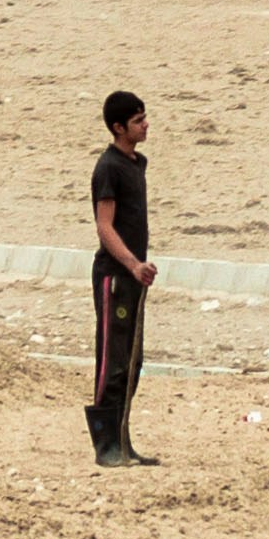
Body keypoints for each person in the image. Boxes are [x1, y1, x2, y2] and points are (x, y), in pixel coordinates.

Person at [87, 87, 157, 468]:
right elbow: (104, 227)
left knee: (133, 361)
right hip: (114, 276)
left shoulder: (136, 163)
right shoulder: (108, 167)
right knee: (111, 361)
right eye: (137, 121)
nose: (146, 125)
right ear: (118, 127)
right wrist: (132, 265)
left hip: (134, 275)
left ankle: (124, 442)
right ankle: (105, 446)